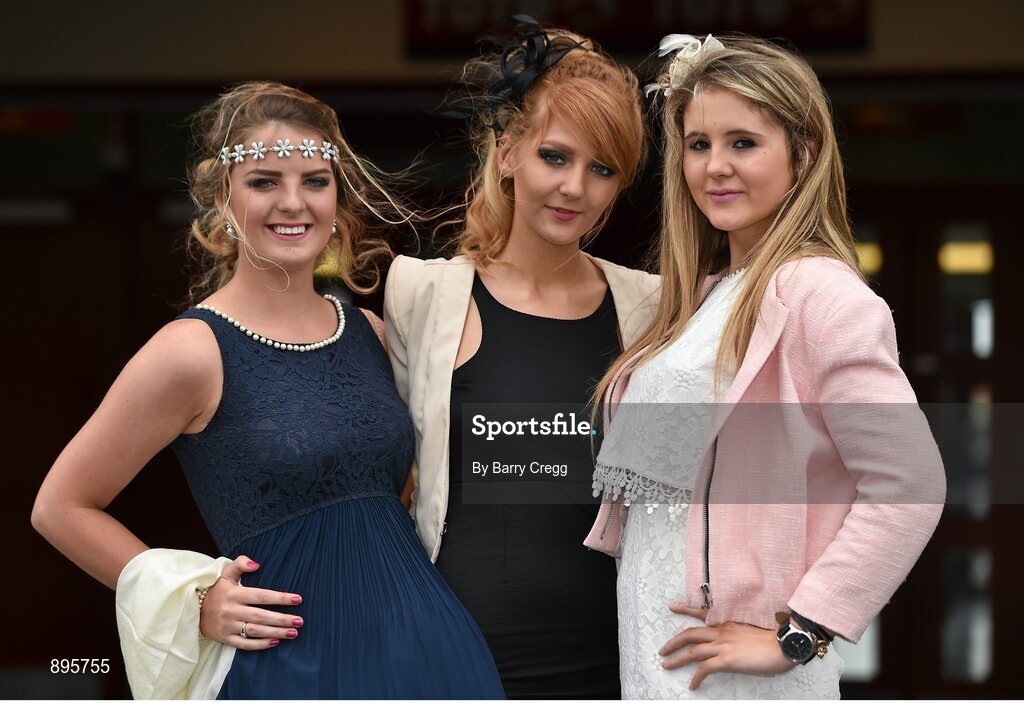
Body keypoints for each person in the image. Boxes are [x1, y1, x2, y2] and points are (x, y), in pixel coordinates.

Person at [31, 81, 504, 700]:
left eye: (314, 180)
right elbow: (60, 507)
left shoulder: (371, 332)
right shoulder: (191, 351)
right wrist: (194, 599)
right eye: (263, 182)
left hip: (433, 657)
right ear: (223, 198)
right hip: (292, 667)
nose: (294, 202)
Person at [585, 34, 946, 699]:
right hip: (659, 650)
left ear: (801, 154)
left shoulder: (821, 295)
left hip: (744, 670)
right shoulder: (698, 296)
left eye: (742, 142)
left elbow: (910, 481)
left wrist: (802, 629)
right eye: (699, 144)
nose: (714, 166)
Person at [384, 18, 659, 699]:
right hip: (452, 657)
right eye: (556, 157)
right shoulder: (419, 292)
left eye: (602, 169)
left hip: (611, 656)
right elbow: (382, 478)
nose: (575, 188)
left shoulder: (650, 307)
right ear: (507, 152)